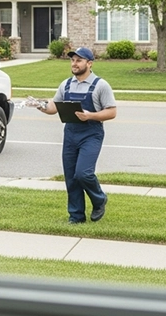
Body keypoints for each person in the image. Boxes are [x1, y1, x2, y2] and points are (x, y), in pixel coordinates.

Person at [34, 47, 116, 224]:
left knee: (83, 174)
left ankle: (99, 199)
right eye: (72, 60)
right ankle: (76, 217)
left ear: (89, 63)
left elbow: (112, 112)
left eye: (79, 60)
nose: (74, 64)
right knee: (71, 178)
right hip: (70, 134)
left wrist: (90, 115)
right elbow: (53, 108)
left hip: (91, 134)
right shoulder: (66, 84)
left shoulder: (101, 85)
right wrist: (39, 104)